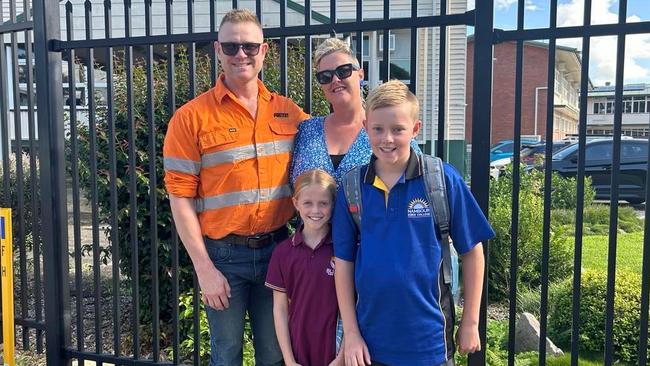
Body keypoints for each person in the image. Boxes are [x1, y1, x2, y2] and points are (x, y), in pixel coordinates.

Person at [163, 8, 309, 366]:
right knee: (226, 354)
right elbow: (180, 198)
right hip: (223, 257)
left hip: (278, 249)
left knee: (275, 353)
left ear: (264, 51)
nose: (240, 54)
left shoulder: (289, 113)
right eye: (230, 47)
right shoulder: (191, 118)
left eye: (249, 46)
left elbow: (330, 144)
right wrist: (204, 269)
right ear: (217, 50)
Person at [332, 80, 495, 366]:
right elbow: (343, 262)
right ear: (365, 126)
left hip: (429, 342)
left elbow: (473, 251)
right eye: (378, 129)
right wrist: (352, 333)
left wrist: (470, 321)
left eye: (398, 129)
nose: (387, 139)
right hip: (371, 343)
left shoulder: (441, 180)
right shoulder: (351, 187)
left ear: (415, 129)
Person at [290, 38, 420, 187]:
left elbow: (415, 182)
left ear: (360, 74)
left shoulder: (386, 129)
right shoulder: (307, 131)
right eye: (326, 76)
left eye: (343, 71)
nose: (335, 79)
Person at [265, 169, 344, 366]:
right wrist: (289, 360)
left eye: (323, 203)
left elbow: (356, 304)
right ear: (295, 203)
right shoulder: (283, 252)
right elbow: (280, 310)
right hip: (299, 350)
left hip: (336, 351)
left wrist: (342, 357)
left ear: (333, 205)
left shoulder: (344, 249)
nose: (315, 211)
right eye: (308, 203)